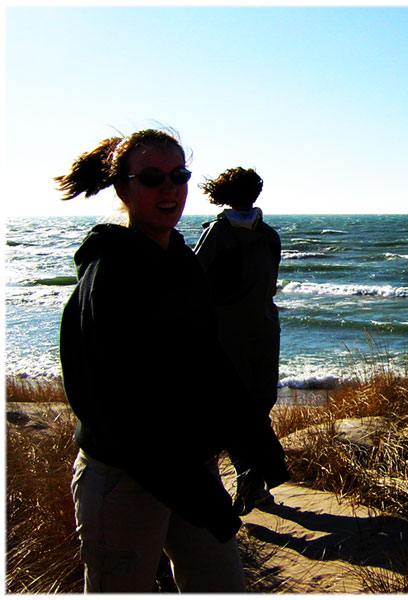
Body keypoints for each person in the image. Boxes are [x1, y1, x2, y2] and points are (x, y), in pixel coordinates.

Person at [55, 129, 288, 593]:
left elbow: (207, 363)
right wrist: (195, 491)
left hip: (191, 467)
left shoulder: (181, 259)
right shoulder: (110, 274)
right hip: (125, 478)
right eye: (151, 177)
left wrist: (257, 444)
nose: (169, 189)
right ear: (123, 188)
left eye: (178, 175)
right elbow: (110, 408)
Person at [193, 167, 285, 506]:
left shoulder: (215, 234)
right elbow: (270, 281)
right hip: (264, 329)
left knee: (229, 408)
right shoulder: (270, 236)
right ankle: (255, 479)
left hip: (225, 334)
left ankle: (248, 477)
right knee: (259, 407)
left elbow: (194, 280)